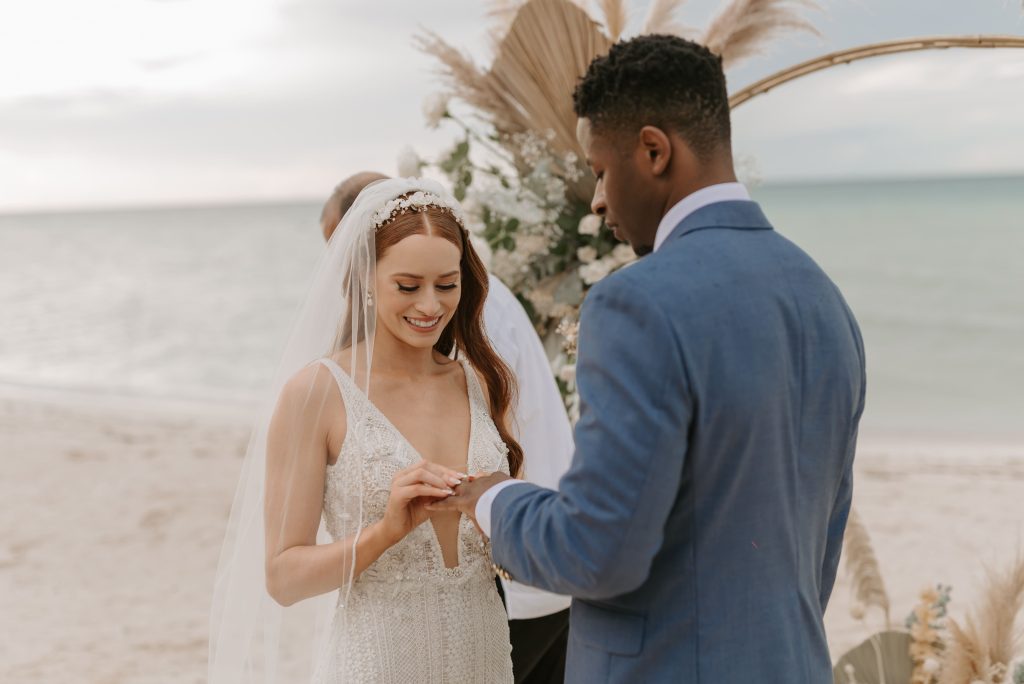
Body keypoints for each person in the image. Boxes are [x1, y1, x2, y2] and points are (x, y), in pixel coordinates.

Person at [433, 35, 866, 683]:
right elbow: (817, 551)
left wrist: (496, 500)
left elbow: (596, 552)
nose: (599, 199)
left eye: (601, 169)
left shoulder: (636, 304)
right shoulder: (824, 298)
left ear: (654, 150)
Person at [211, 178, 519, 683]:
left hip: (483, 658)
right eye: (407, 286)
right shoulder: (317, 393)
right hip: (378, 662)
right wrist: (384, 533)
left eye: (446, 284)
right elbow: (283, 579)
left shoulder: (481, 381)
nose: (429, 306)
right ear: (364, 280)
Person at [321, 173, 573, 683]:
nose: (430, 304)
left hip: (519, 582)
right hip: (538, 567)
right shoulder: (333, 384)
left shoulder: (468, 332)